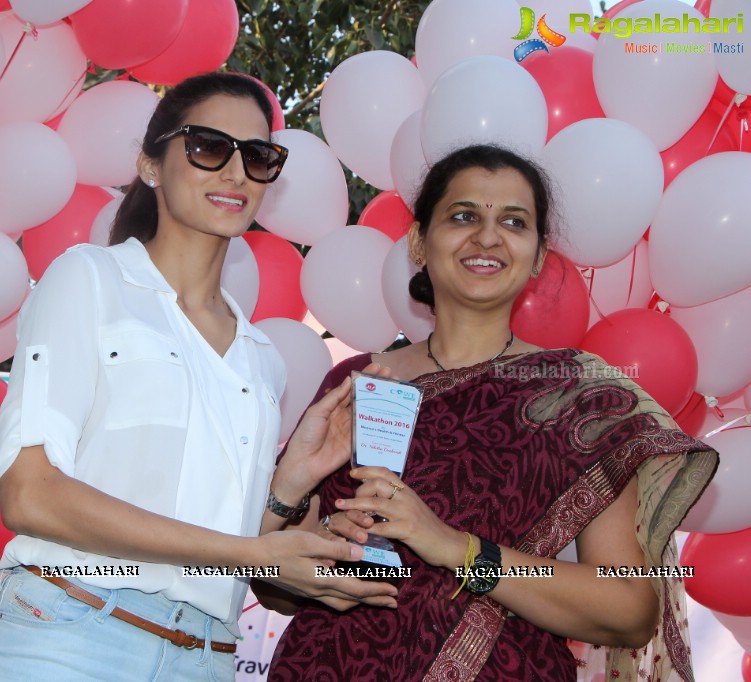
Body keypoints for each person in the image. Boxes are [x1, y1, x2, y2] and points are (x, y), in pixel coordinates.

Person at [0, 72, 395, 682]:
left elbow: (218, 543)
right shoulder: (90, 280)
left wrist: (289, 481)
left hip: (206, 659)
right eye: (207, 146)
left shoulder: (260, 358)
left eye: (257, 156)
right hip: (69, 637)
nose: (235, 172)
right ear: (150, 163)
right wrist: (250, 553)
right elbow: (29, 493)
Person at [262, 144, 718, 682]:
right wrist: (320, 537)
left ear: (539, 254)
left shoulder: (578, 396)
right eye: (463, 216)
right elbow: (273, 587)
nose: (487, 236)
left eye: (514, 221)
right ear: (418, 240)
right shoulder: (357, 382)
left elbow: (629, 607)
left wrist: (456, 548)